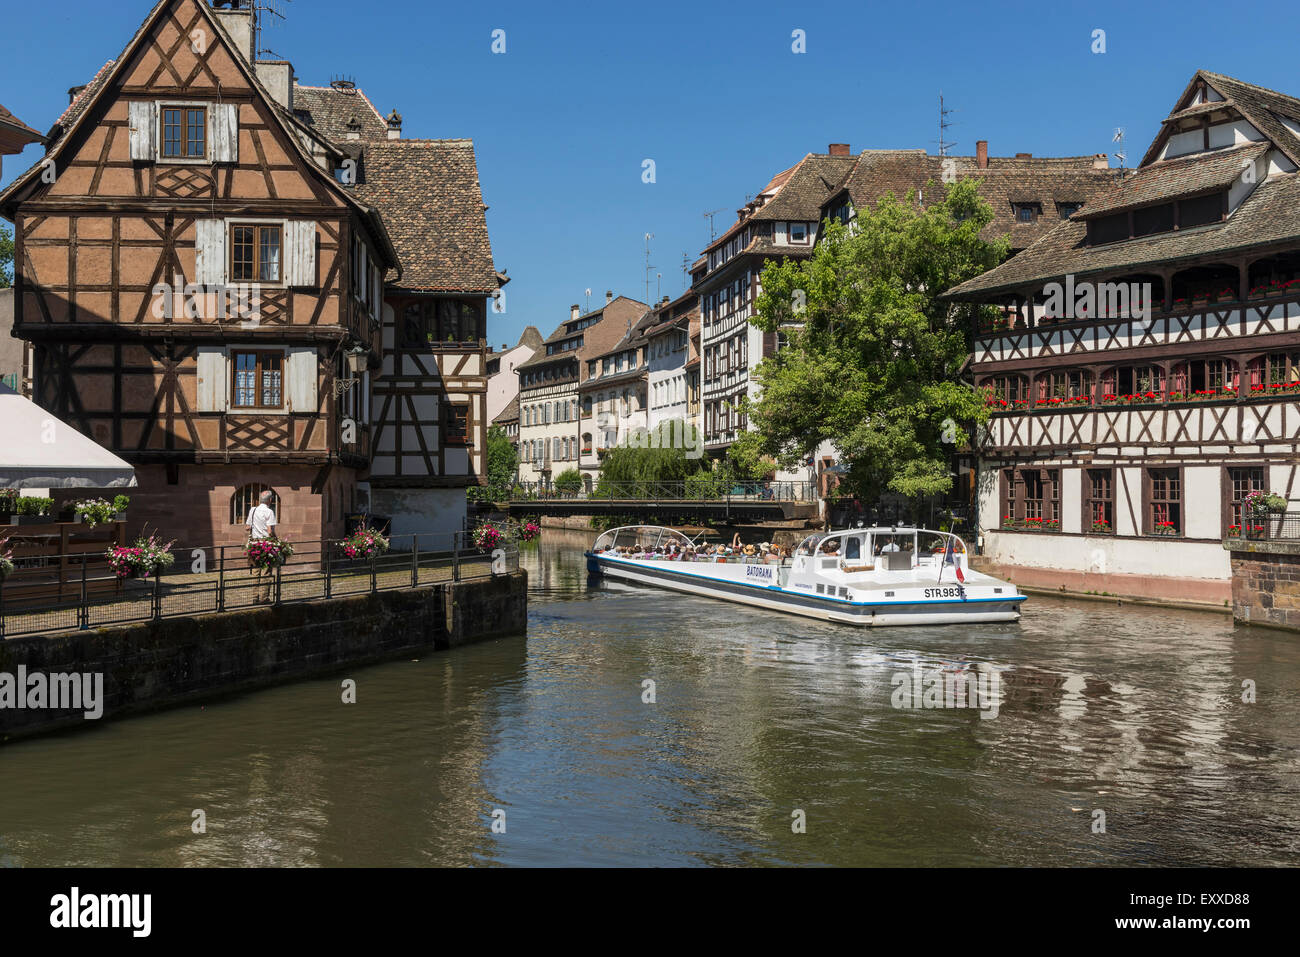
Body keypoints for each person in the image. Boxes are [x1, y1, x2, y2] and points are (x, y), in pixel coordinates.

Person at [245, 489, 278, 604]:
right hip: (265, 545)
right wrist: (276, 538)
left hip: (254, 544)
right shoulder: (269, 512)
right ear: (270, 500)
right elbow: (270, 531)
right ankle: (264, 598)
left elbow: (247, 527)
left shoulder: (253, 510)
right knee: (266, 572)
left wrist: (256, 527)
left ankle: (255, 597)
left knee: (255, 571)